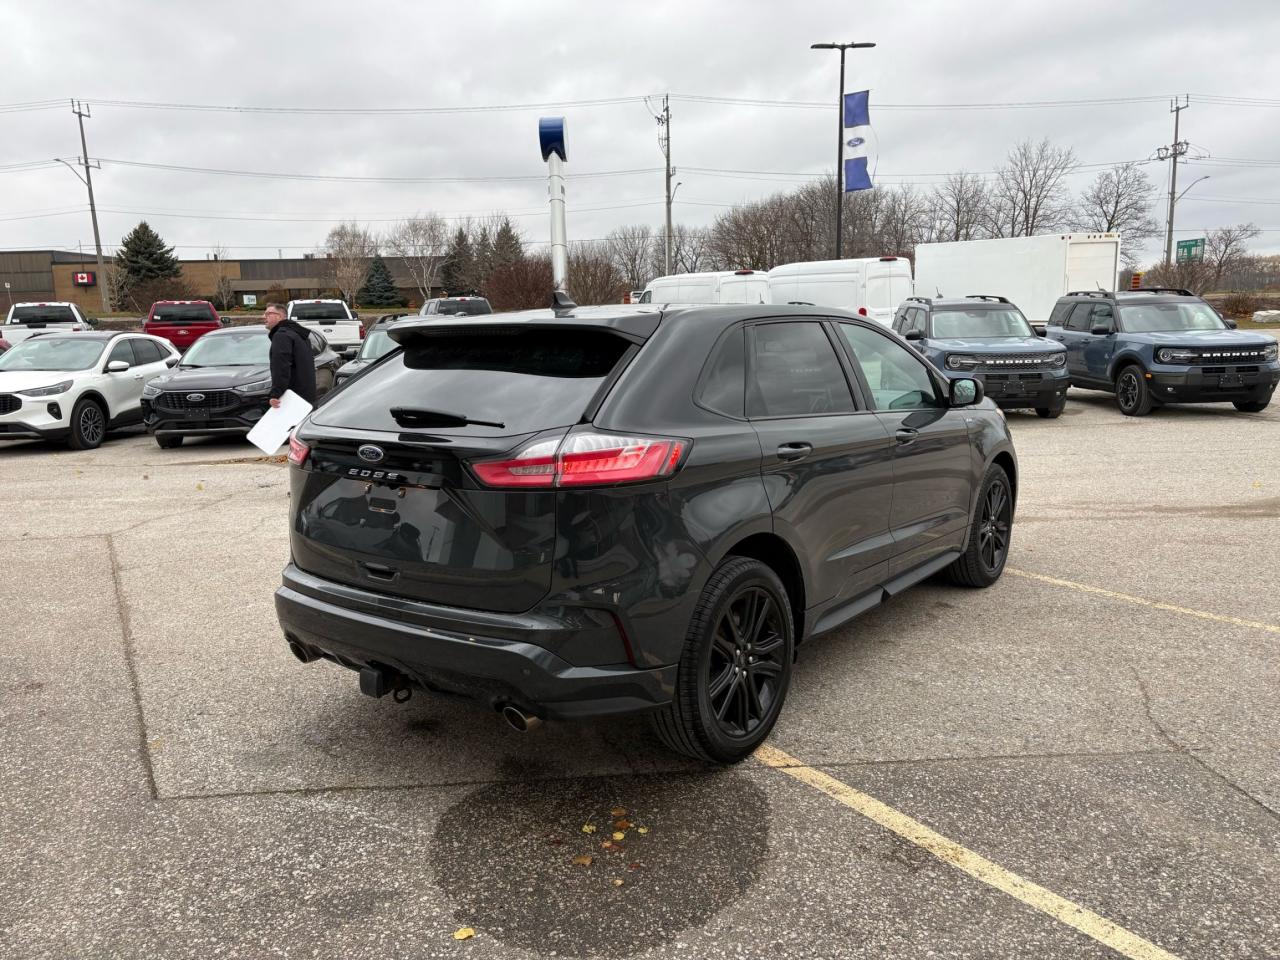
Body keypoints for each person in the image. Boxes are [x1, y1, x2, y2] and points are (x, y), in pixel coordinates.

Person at [264, 302, 317, 408]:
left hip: (291, 398)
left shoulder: (281, 336)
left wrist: (275, 394)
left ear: (279, 316)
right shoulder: (298, 334)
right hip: (306, 397)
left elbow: (281, 367)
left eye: (268, 314)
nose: (264, 317)